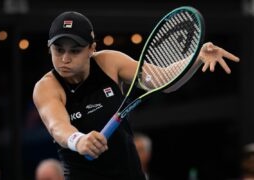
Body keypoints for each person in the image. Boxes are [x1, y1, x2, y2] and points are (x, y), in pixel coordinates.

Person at [32, 11, 240, 180]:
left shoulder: (109, 62)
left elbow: (163, 80)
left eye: (75, 50)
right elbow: (57, 126)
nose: (64, 59)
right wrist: (79, 140)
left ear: (91, 49)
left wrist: (197, 58)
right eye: (58, 50)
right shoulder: (47, 87)